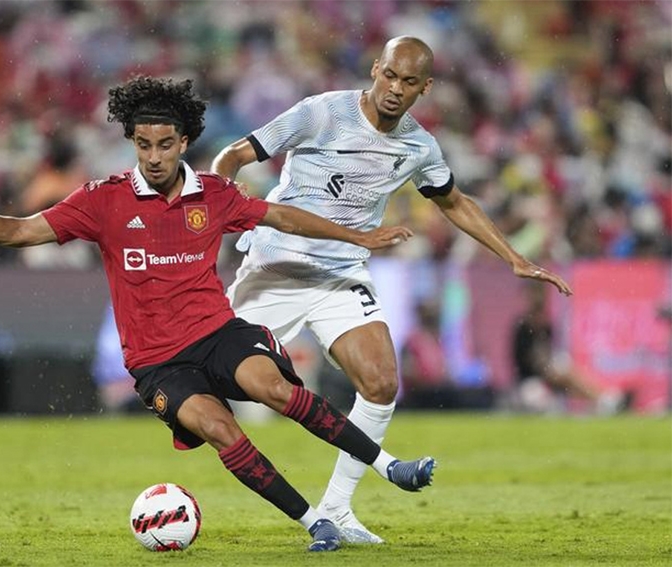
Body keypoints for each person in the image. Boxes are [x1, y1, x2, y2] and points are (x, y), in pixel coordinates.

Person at [0, 76, 434, 553]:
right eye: (142, 145)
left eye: (164, 144)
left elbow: (283, 216)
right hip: (158, 362)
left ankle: (390, 467)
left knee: (275, 390)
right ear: (131, 143)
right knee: (220, 427)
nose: (153, 156)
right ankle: (315, 520)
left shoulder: (216, 194)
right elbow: (21, 231)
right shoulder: (103, 201)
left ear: (183, 143)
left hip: (218, 333)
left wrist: (356, 235)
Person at [211, 36, 574, 543]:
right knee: (206, 380)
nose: (394, 89)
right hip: (276, 266)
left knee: (381, 383)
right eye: (388, 76)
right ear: (376, 69)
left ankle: (336, 510)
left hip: (340, 275)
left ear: (424, 88)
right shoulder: (322, 112)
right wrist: (228, 189)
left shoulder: (418, 146)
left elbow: (453, 200)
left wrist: (514, 258)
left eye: (408, 83)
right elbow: (233, 154)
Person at [512, 282, 624, 414]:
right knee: (561, 376)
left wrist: (549, 370)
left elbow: (547, 357)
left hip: (547, 380)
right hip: (530, 384)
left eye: (540, 294)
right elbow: (524, 363)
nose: (538, 299)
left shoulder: (547, 325)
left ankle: (602, 399)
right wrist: (546, 370)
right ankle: (603, 398)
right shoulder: (523, 327)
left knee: (565, 369)